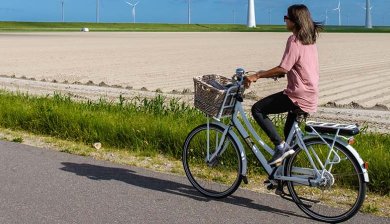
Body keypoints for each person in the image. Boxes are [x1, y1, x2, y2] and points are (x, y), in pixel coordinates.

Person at [244, 4, 323, 166]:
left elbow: (284, 67)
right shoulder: (309, 39)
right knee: (290, 140)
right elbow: (288, 68)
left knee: (257, 109)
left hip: (297, 95)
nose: (285, 20)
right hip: (310, 94)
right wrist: (269, 73)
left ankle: (279, 146)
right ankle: (282, 179)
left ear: (295, 21)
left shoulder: (294, 40)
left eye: (286, 17)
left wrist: (257, 75)